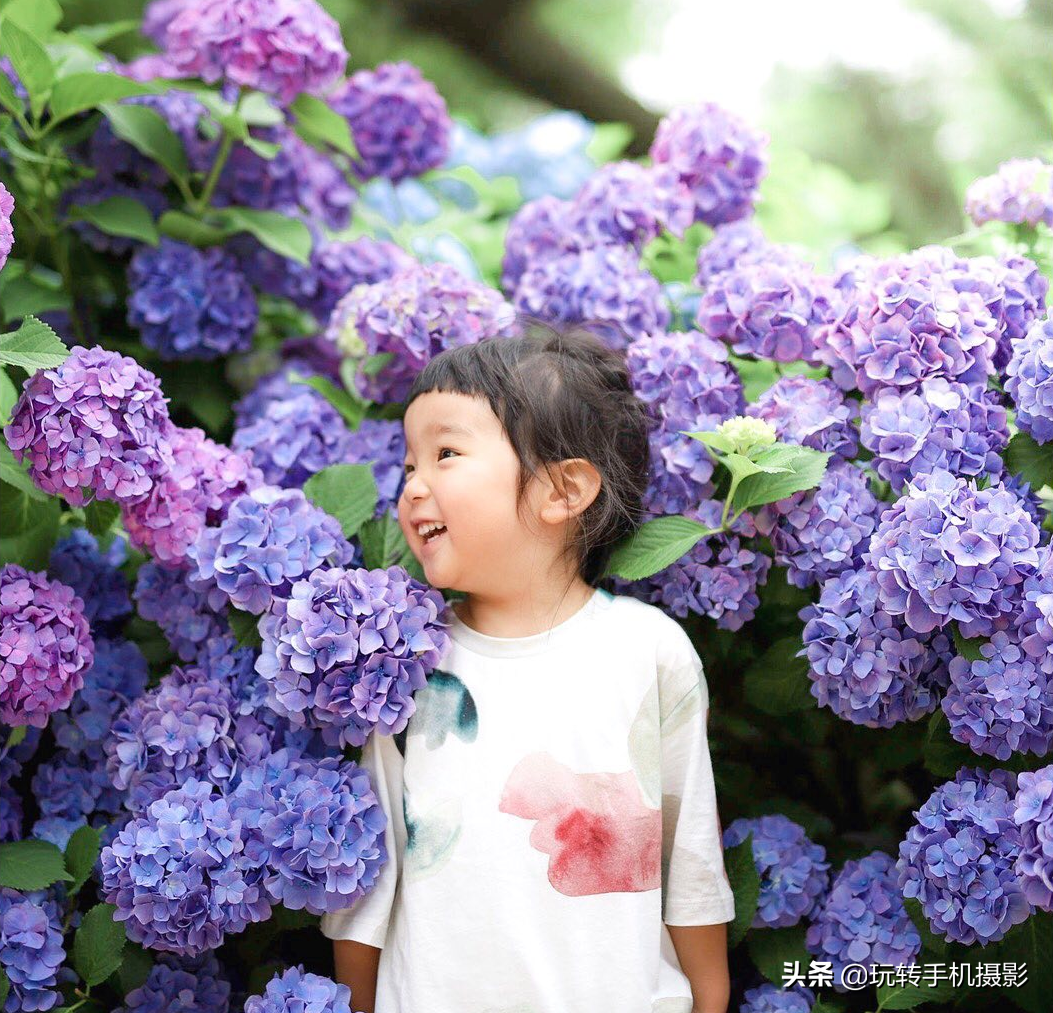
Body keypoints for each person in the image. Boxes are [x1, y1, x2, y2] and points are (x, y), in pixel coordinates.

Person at [321, 319, 736, 1013]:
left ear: (562, 490)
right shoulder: (402, 662)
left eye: (445, 453)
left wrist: (709, 999)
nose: (414, 486)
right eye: (407, 465)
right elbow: (368, 880)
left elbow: (688, 858)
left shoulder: (646, 651)